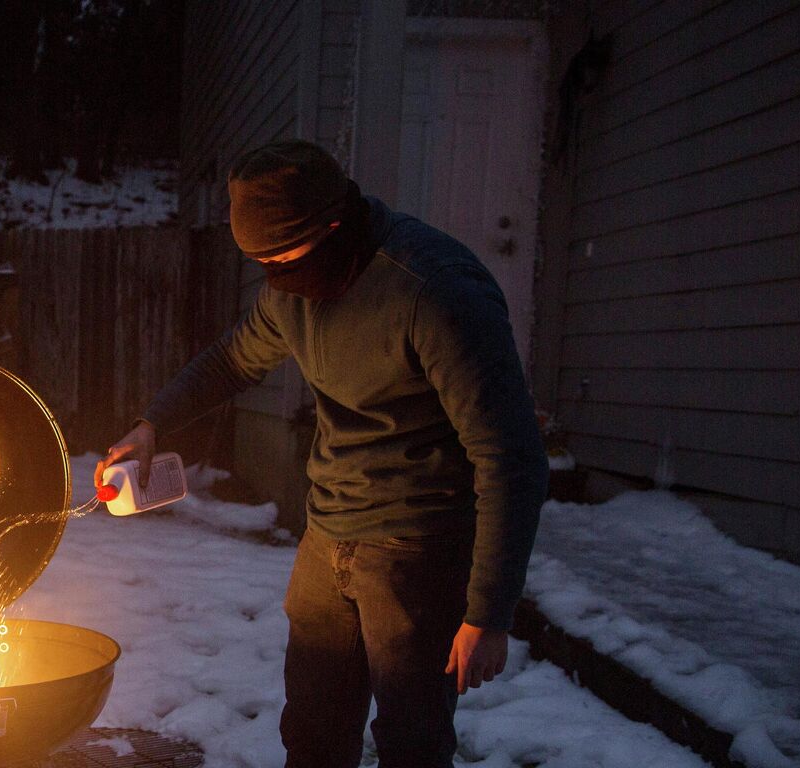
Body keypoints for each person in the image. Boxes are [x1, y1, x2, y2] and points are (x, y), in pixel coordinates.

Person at [98, 140, 548, 768]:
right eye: (260, 261)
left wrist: (489, 613)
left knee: (411, 744)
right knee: (312, 734)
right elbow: (232, 360)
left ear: (332, 226)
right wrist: (153, 422)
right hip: (326, 537)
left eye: (281, 256)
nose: (274, 275)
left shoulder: (435, 291)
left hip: (416, 548)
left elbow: (510, 456)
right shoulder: (291, 290)